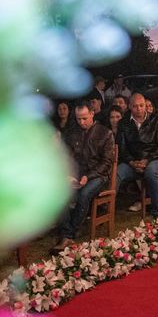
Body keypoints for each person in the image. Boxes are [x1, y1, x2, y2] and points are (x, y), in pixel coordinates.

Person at [54, 102, 115, 251]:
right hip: (77, 175)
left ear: (92, 114)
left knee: (84, 194)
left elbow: (107, 163)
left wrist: (88, 176)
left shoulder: (105, 133)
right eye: (78, 119)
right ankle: (68, 234)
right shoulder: (73, 132)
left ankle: (68, 235)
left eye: (84, 118)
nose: (81, 122)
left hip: (99, 175)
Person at [115, 94, 158, 218]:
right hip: (131, 162)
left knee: (151, 172)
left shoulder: (155, 120)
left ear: (146, 105)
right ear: (129, 107)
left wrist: (147, 160)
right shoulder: (123, 123)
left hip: (153, 159)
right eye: (135, 106)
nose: (139, 109)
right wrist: (132, 162)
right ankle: (107, 209)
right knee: (117, 173)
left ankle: (157, 212)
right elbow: (121, 149)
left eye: (141, 105)